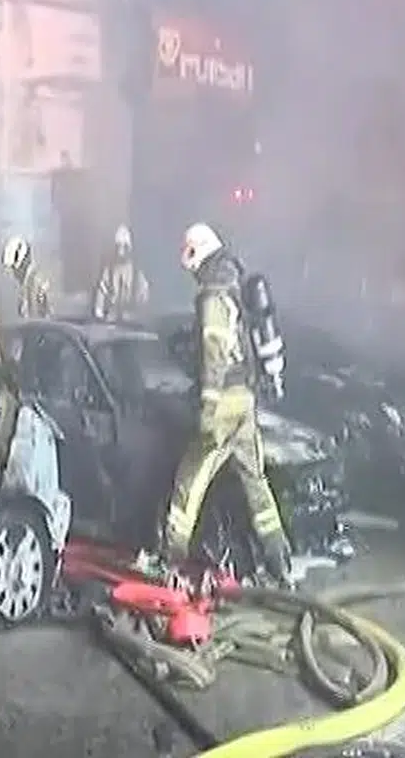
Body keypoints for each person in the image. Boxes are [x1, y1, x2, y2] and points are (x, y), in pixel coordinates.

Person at [162, 222, 292, 583]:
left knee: (190, 479)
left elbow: (215, 352)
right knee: (255, 479)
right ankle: (280, 561)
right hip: (245, 400)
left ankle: (170, 560)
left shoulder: (213, 295)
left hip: (224, 403)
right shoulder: (235, 285)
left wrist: (207, 407)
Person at [92, 223, 151, 321]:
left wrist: (137, 314)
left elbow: (144, 299)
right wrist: (100, 316)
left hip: (131, 323)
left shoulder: (136, 273)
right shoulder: (109, 271)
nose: (121, 251)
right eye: (118, 246)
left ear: (130, 248)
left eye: (125, 246)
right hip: (111, 321)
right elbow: (100, 297)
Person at [1, 235, 51, 319]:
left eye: (15, 269)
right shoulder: (22, 286)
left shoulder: (38, 282)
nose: (14, 274)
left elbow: (44, 316)